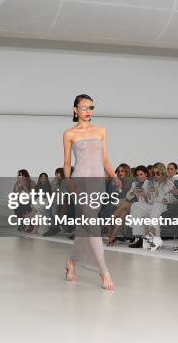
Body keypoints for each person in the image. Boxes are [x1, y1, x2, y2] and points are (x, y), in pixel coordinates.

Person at [63, 94, 121, 291]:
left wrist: (114, 176)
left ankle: (71, 262)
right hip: (80, 182)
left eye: (91, 108)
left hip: (98, 184)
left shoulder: (101, 131)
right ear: (75, 110)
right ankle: (104, 272)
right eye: (84, 107)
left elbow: (105, 160)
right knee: (92, 225)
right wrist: (69, 181)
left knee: (85, 229)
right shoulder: (69, 134)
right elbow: (67, 163)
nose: (88, 111)